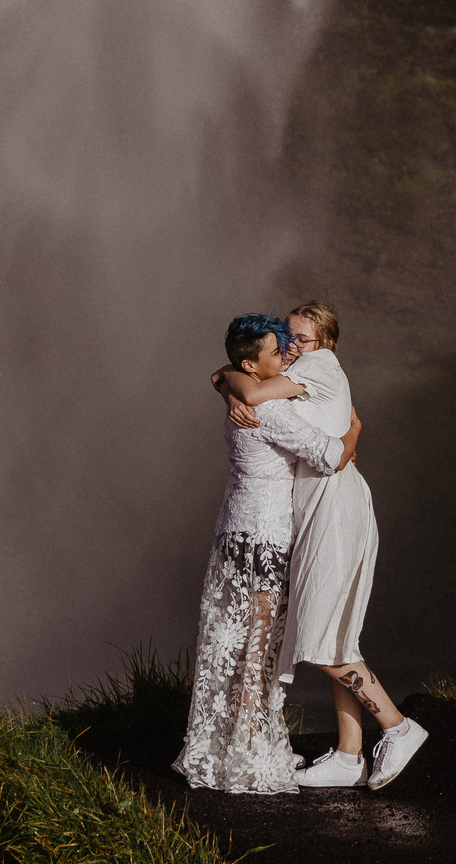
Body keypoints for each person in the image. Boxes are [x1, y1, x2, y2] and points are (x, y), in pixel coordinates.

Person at [213, 301, 428, 791]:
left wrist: (230, 379)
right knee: (334, 633)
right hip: (320, 505)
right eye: (287, 337)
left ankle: (398, 727)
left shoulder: (319, 365)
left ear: (326, 344)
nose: (292, 347)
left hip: (334, 503)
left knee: (318, 634)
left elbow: (251, 387)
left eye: (302, 339)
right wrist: (228, 380)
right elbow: (243, 383)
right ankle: (349, 757)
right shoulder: (304, 367)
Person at [173, 313, 362, 794]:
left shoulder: (242, 395)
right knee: (258, 653)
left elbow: (224, 374)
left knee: (229, 645)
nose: (287, 358)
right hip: (264, 542)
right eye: (277, 352)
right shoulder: (270, 409)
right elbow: (330, 456)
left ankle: (221, 749)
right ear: (251, 365)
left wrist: (226, 383)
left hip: (232, 535)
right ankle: (248, 755)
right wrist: (355, 429)